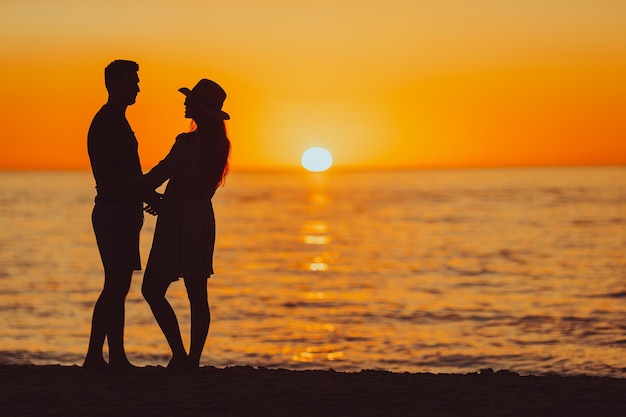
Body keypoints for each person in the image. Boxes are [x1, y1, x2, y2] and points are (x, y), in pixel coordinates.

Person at [139, 78, 231, 370]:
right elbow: (200, 187)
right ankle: (193, 359)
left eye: (190, 100)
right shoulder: (220, 145)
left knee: (152, 289)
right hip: (201, 217)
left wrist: (137, 188)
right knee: (197, 293)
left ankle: (179, 354)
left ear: (200, 109)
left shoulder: (187, 142)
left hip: (177, 217)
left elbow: (161, 174)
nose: (185, 102)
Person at [84, 59, 157, 371]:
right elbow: (107, 175)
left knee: (118, 285)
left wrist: (144, 195)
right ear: (114, 85)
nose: (137, 87)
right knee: (115, 285)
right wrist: (148, 194)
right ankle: (98, 358)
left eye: (136, 82)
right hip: (114, 210)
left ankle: (113, 357)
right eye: (132, 82)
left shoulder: (118, 120)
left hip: (123, 210)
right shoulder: (106, 122)